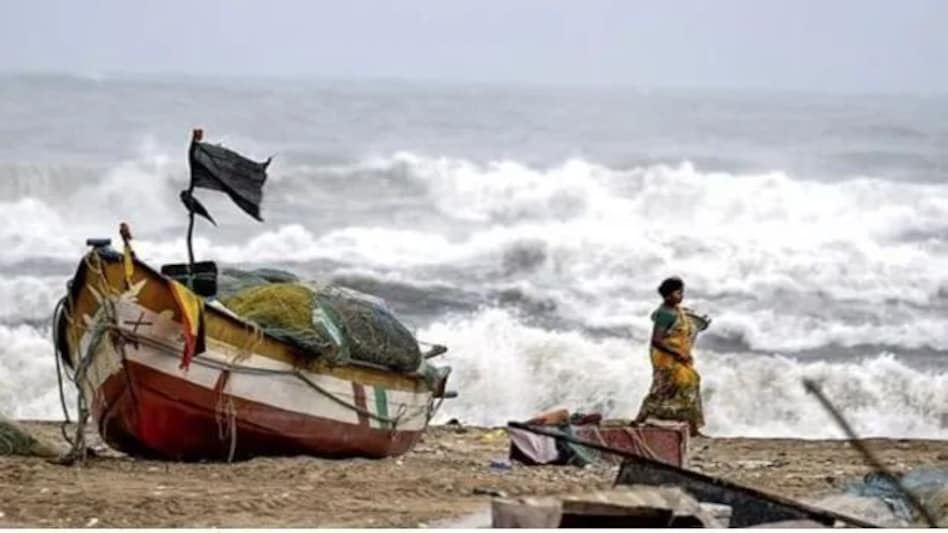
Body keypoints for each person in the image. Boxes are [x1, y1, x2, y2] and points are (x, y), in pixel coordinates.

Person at [634, 277, 708, 437]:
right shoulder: (665, 314)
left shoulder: (677, 310)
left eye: (682, 292)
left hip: (680, 357)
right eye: (678, 292)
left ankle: (692, 427)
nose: (681, 295)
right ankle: (642, 419)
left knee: (691, 383)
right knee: (662, 391)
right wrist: (677, 353)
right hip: (666, 359)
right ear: (668, 295)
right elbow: (657, 340)